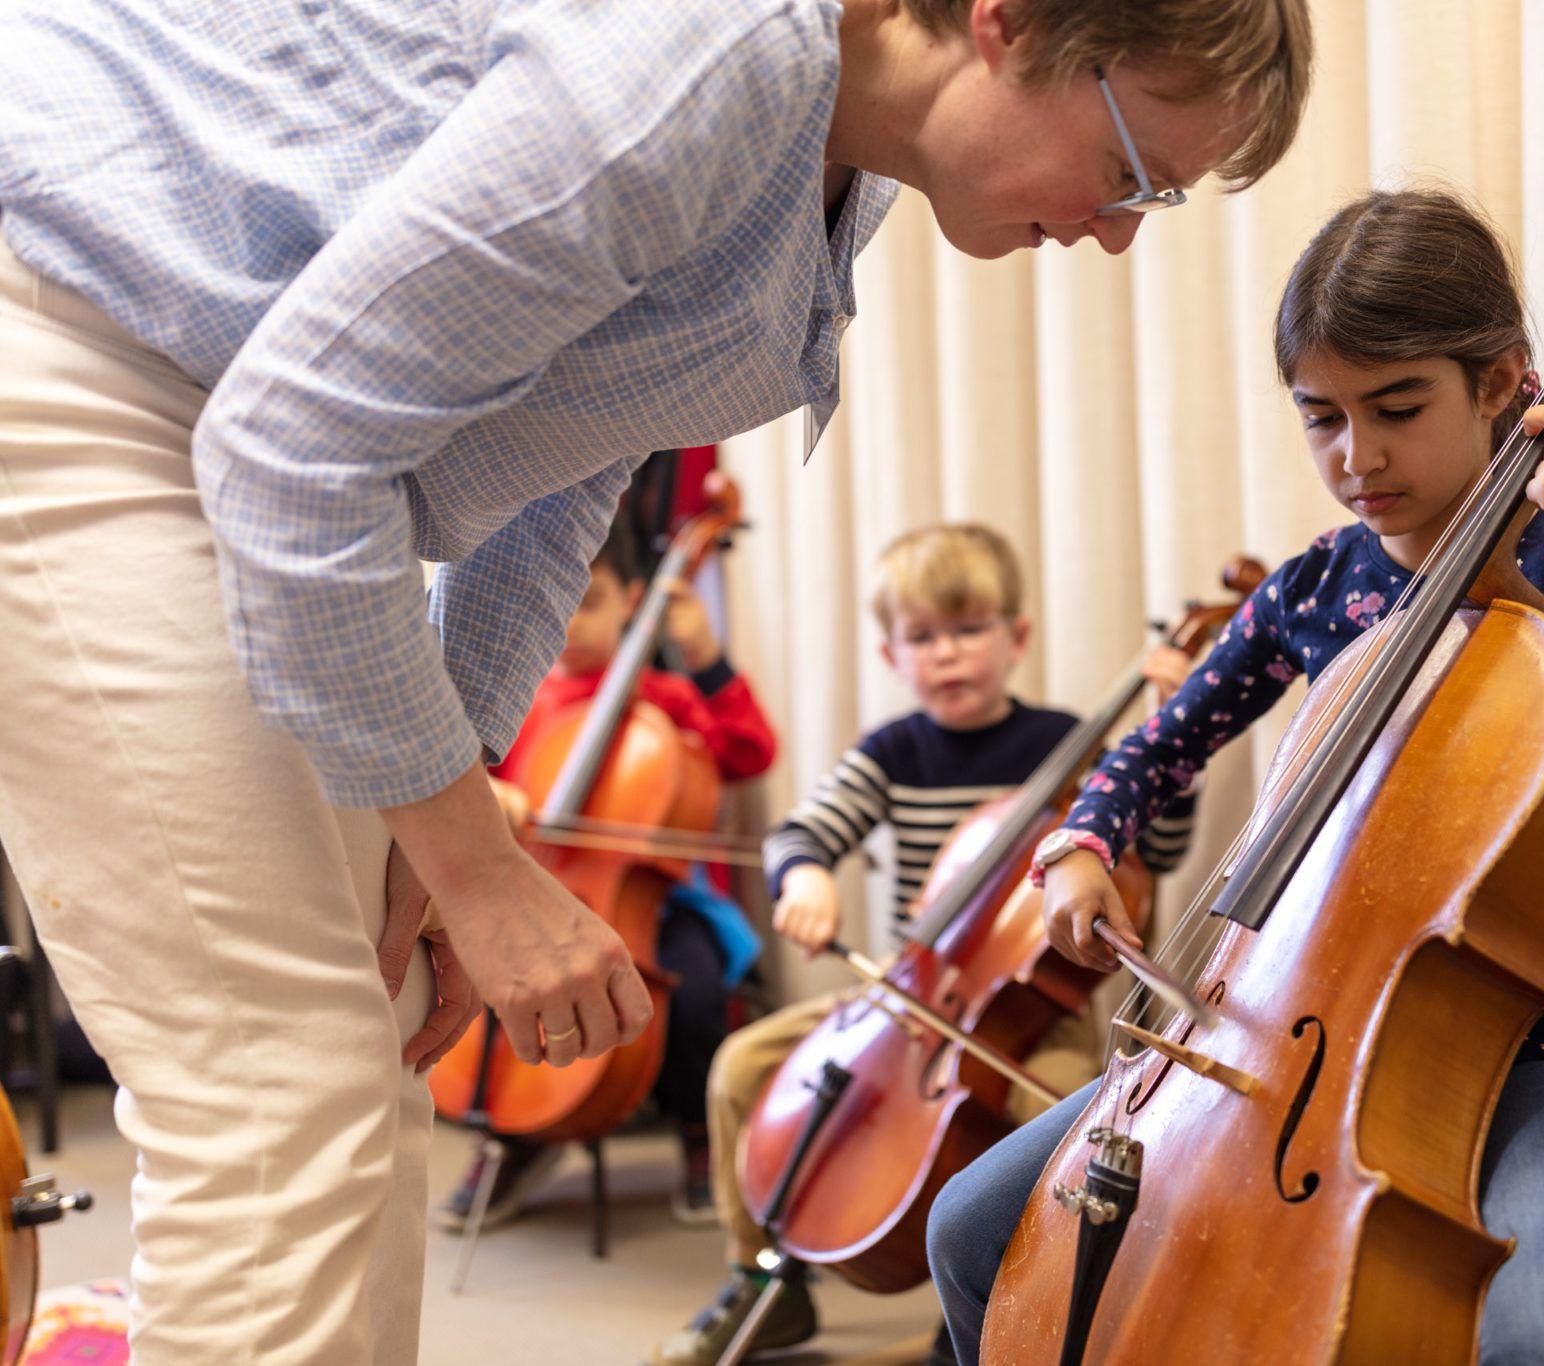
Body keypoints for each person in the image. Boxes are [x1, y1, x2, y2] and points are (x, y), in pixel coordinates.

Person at [0, 2, 1311, 1358]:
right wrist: (480, 871)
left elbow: (556, 459)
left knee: (356, 1051)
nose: (1122, 229)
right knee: (275, 1091)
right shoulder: (713, 60)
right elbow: (291, 455)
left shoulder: (834, 158)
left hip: (224, 403)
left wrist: (458, 809)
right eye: (1134, 170)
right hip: (79, 328)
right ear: (1008, 25)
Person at [924, 188, 1544, 1365]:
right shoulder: (1317, 590)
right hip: (1274, 1028)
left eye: (1395, 407)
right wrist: (1082, 845)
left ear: (1505, 381)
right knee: (971, 1229)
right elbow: (1155, 748)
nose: (1355, 456)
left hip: (1533, 1037)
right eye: (1319, 417)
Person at [653, 523, 1197, 1366]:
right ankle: (765, 1280)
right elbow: (802, 832)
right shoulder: (892, 753)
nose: (947, 655)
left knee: (1051, 1119)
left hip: (1028, 1014)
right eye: (923, 638)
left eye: (969, 630)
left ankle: (989, 1299)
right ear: (890, 654)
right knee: (742, 1072)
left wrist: (1174, 743)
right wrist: (804, 876)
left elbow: (1154, 857)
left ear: (1016, 638)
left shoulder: (1074, 748)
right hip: (906, 997)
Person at [439, 514, 778, 1231]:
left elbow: (749, 754)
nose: (568, 626)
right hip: (537, 891)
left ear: (631, 600)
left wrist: (706, 656)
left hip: (649, 901)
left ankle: (697, 1130)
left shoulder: (664, 700)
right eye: (552, 606)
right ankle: (514, 1133)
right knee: (499, 985)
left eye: (588, 602)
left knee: (693, 993)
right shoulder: (515, 704)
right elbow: (466, 784)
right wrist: (489, 795)